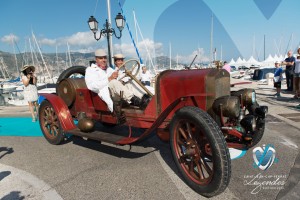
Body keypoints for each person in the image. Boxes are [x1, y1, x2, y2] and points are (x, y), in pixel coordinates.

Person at [85, 49, 150, 112]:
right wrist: (109, 79)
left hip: (117, 93)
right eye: (101, 58)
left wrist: (126, 76)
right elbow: (91, 86)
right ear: (96, 59)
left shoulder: (109, 69)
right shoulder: (90, 70)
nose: (104, 60)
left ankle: (145, 98)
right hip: (107, 94)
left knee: (129, 82)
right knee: (113, 82)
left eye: (105, 58)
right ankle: (135, 101)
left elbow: (118, 78)